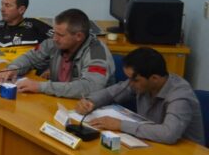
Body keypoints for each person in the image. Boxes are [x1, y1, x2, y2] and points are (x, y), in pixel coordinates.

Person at [75, 47, 204, 145]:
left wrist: (120, 125)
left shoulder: (180, 96)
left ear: (154, 78)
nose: (130, 84)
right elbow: (111, 93)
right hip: (151, 143)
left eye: (135, 80)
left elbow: (168, 134)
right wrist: (90, 101)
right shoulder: (143, 83)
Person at [0, 8, 113, 98]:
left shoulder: (97, 53)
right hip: (59, 100)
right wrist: (13, 69)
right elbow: (30, 57)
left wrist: (40, 87)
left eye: (60, 35)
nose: (54, 38)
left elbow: (89, 87)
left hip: (91, 108)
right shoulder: (55, 42)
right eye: (54, 32)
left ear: (79, 36)